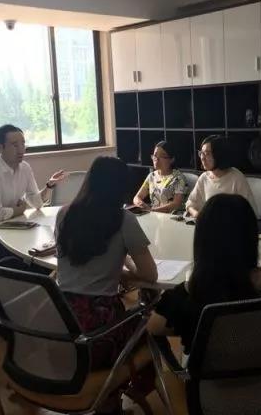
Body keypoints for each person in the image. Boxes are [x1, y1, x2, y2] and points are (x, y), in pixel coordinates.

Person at [148, 193, 261, 354]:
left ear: (202, 241)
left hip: (213, 370)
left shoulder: (187, 298)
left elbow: (154, 327)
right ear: (252, 237)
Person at [55, 156, 158, 369]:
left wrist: (119, 266)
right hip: (97, 332)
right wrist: (123, 270)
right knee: (152, 328)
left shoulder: (64, 214)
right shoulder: (123, 219)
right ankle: (130, 384)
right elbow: (150, 275)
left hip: (59, 325)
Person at [0, 124, 66, 260]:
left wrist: (49, 186)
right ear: (0, 147)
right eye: (15, 145)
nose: (21, 149)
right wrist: (19, 210)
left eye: (23, 144)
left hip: (14, 229)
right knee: (33, 257)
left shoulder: (25, 168)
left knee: (46, 248)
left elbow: (36, 203)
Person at [185, 135, 257, 218]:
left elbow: (248, 213)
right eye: (201, 153)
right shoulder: (204, 177)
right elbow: (190, 203)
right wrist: (197, 215)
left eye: (207, 153)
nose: (202, 158)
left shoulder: (236, 178)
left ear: (219, 155)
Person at [132, 141, 187, 212]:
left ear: (172, 159)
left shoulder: (179, 178)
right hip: (153, 214)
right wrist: (140, 203)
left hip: (171, 216)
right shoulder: (152, 176)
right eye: (155, 156)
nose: (157, 159)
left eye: (162, 156)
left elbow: (176, 204)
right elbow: (137, 197)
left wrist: (152, 210)